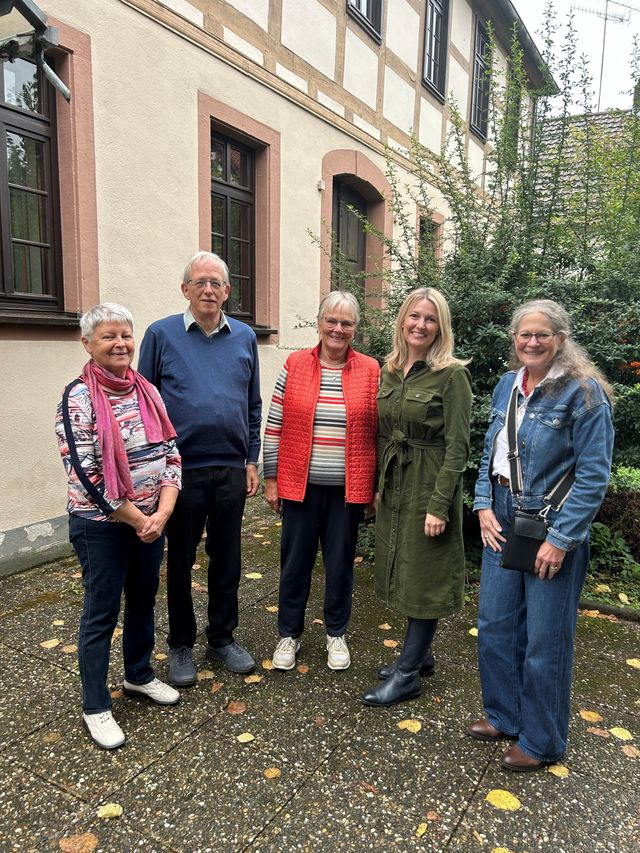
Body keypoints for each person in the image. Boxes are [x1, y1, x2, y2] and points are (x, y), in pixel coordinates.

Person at [469, 299, 614, 771]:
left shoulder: (585, 393)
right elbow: (491, 452)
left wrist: (562, 538)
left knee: (544, 639)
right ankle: (504, 716)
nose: (532, 342)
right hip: (502, 517)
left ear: (561, 340)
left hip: (552, 523)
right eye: (524, 334)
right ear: (514, 339)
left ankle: (542, 740)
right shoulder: (507, 386)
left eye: (542, 335)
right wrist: (483, 504)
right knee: (494, 626)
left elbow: (593, 477)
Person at [55, 303, 182, 750]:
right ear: (87, 343)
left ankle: (138, 676)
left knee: (144, 600)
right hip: (102, 527)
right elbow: (87, 475)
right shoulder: (78, 397)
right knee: (101, 611)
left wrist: (162, 512)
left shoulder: (146, 390)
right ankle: (95, 705)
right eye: (108, 336)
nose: (120, 344)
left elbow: (171, 453)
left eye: (126, 335)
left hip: (151, 521)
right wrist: (138, 518)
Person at [138, 252, 261, 685]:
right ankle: (180, 644)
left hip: (229, 467)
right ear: (185, 289)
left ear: (228, 291)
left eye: (216, 283)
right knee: (181, 558)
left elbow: (252, 403)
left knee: (227, 558)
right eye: (200, 282)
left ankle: (222, 638)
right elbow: (145, 404)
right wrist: (154, 467)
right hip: (179, 471)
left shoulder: (245, 337)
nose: (208, 290)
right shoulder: (160, 334)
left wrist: (251, 459)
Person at [362, 287, 472, 707]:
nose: (420, 325)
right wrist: (375, 487)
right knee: (403, 567)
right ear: (402, 321)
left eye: (430, 319)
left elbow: (459, 446)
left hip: (430, 483)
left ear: (440, 327)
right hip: (396, 483)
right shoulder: (389, 370)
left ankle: (407, 675)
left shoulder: (452, 375)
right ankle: (421, 656)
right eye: (414, 317)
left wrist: (439, 504)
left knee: (424, 574)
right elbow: (380, 433)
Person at [263, 291, 379, 671]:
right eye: (332, 320)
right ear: (319, 323)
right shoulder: (295, 364)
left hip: (348, 488)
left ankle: (336, 633)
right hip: (299, 484)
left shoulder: (371, 370)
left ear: (355, 329)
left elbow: (379, 432)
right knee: (294, 562)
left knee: (341, 563)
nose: (338, 329)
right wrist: (271, 478)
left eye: (346, 323)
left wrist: (375, 488)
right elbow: (274, 426)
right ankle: (288, 634)